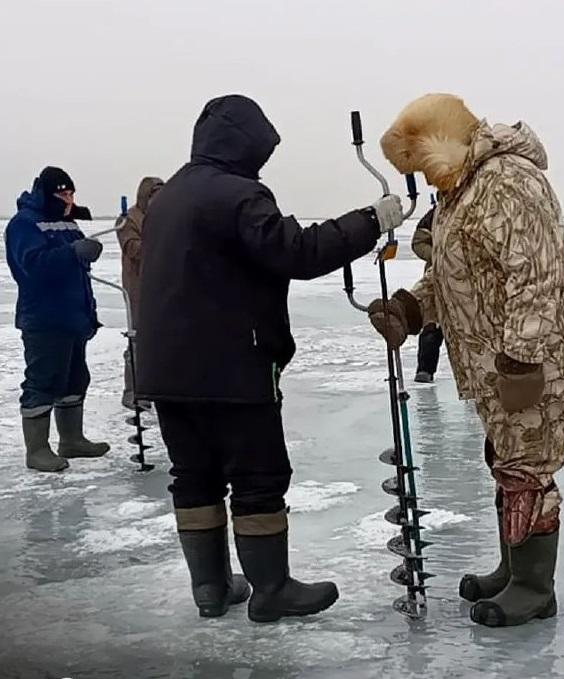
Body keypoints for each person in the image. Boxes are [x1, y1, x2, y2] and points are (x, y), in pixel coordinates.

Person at [136, 94, 405, 623]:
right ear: (244, 144)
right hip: (233, 366)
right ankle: (271, 589)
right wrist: (370, 221)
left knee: (194, 476)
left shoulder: (169, 198)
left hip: (166, 371)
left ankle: (211, 589)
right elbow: (296, 252)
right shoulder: (240, 196)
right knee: (258, 478)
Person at [371, 94, 564, 627]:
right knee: (506, 462)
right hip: (494, 360)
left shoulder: (507, 180)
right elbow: (456, 275)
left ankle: (535, 589)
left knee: (529, 467)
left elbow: (536, 273)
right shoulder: (461, 191)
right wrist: (410, 306)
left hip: (536, 358)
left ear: (442, 142)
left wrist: (522, 359)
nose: (424, 180)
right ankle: (512, 568)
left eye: (423, 164)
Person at [4, 167, 110, 473]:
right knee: (43, 381)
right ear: (46, 194)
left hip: (73, 317)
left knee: (75, 379)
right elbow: (33, 267)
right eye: (63, 194)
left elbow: (77, 266)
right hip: (44, 320)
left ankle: (72, 440)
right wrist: (74, 252)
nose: (69, 199)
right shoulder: (24, 225)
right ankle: (37, 450)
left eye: (72, 193)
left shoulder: (66, 221)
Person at [116, 176, 164, 410]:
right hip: (138, 289)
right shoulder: (129, 219)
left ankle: (155, 387)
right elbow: (132, 248)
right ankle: (132, 391)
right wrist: (161, 244)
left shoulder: (166, 217)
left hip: (163, 288)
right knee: (137, 340)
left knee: (160, 340)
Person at [411, 206, 444, 383]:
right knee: (432, 326)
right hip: (437, 280)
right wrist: (439, 258)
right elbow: (418, 242)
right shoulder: (435, 213)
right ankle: (425, 370)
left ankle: (478, 379)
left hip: (472, 285)